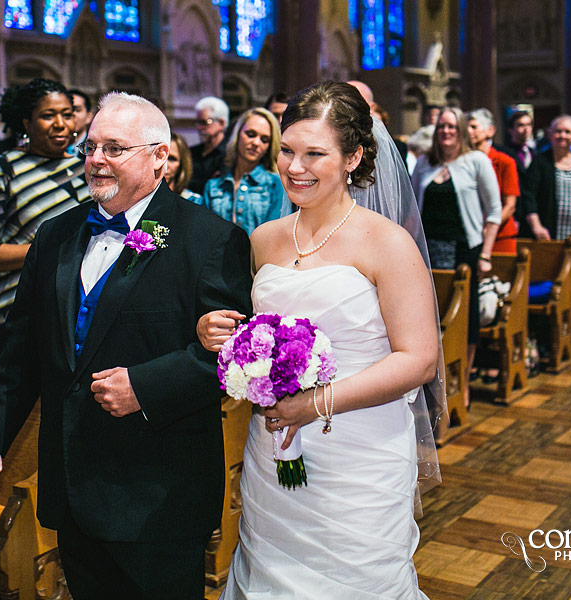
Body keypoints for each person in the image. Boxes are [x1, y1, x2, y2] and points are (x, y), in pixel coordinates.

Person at [0, 91, 252, 599]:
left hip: (158, 490)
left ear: (159, 156)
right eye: (90, 146)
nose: (96, 159)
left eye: (114, 148)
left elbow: (233, 359)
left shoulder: (210, 239)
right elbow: (25, 345)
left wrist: (144, 385)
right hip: (73, 482)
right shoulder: (56, 235)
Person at [197, 80, 442, 599]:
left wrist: (317, 402)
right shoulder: (264, 239)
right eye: (287, 150)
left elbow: (419, 360)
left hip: (360, 453)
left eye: (314, 154)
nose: (294, 167)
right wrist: (218, 333)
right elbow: (253, 331)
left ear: (353, 156)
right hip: (276, 449)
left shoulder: (388, 243)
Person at [0, 78, 90, 361]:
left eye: (67, 115)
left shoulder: (86, 170)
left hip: (69, 310)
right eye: (47, 115)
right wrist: (49, 249)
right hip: (8, 308)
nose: (61, 124)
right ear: (26, 123)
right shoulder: (1, 170)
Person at [412, 106, 501, 390]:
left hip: (466, 250)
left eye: (452, 126)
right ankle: (433, 380)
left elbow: (494, 212)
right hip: (429, 251)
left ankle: (461, 382)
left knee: (465, 317)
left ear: (461, 131)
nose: (446, 131)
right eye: (441, 127)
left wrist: (485, 254)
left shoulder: (476, 161)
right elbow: (412, 208)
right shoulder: (425, 162)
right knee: (429, 316)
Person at [199, 107, 288, 235]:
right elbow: (205, 232)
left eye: (264, 140)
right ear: (238, 134)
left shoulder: (276, 184)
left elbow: (274, 235)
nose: (256, 143)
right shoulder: (213, 186)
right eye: (250, 134)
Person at [523, 115, 571, 257]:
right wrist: (537, 226)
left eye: (567, 132)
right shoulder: (540, 162)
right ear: (550, 135)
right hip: (547, 234)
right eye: (558, 131)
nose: (562, 135)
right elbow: (529, 197)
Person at [469, 108, 521, 254]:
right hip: (471, 234)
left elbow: (510, 206)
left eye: (473, 127)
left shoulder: (505, 162)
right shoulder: (463, 162)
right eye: (466, 127)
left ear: (490, 131)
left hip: (499, 235)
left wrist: (489, 227)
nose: (468, 131)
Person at [188, 96, 229, 194]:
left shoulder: (230, 154)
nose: (199, 128)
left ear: (222, 123)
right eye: (197, 122)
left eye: (204, 122)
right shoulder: (191, 152)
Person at [164, 131, 202, 202]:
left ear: (182, 164)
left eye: (172, 159)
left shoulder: (194, 201)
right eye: (159, 156)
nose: (164, 164)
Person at [67, 88, 94, 155]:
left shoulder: (94, 147)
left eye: (77, 110)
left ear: (88, 117)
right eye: (67, 110)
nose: (72, 114)